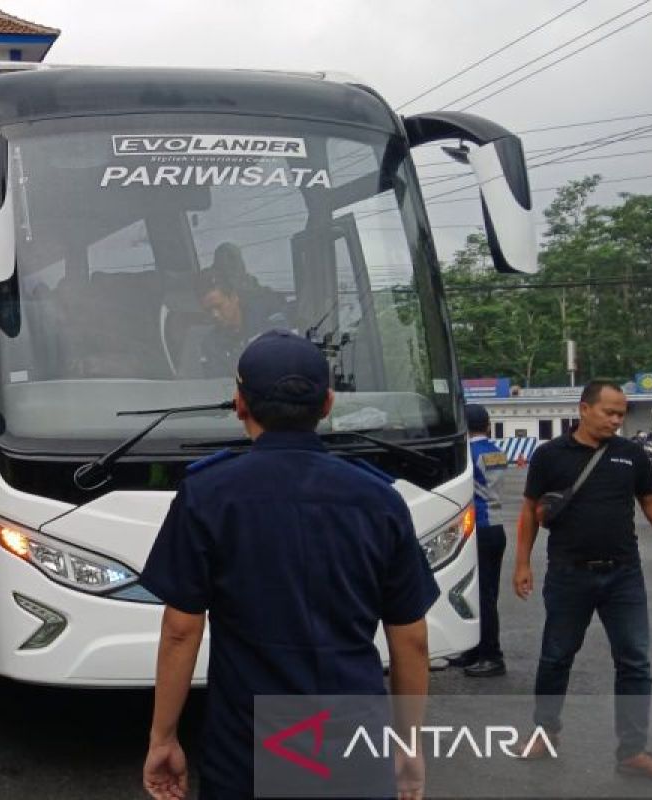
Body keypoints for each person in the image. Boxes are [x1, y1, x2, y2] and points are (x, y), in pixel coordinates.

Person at [140, 330, 438, 800]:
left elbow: (181, 630)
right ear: (328, 405)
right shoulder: (379, 500)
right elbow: (412, 640)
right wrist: (408, 745)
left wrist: (163, 738)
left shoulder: (208, 495)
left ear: (239, 403)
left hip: (247, 749)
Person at [514, 380, 652, 781]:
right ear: (584, 409)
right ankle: (545, 732)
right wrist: (522, 564)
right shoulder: (550, 455)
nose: (617, 420)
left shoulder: (630, 454)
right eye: (610, 412)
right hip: (569, 574)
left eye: (621, 414)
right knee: (556, 657)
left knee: (635, 662)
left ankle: (633, 752)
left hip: (624, 575)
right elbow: (530, 510)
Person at [456, 404, 510, 678]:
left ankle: (491, 655)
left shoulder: (466, 454)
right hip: (496, 525)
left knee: (480, 595)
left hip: (478, 527)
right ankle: (476, 649)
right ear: (487, 425)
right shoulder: (495, 451)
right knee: (487, 593)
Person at [195, 244, 288, 377]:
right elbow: (215, 389)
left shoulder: (270, 320)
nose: (214, 315)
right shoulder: (211, 345)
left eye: (218, 306)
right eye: (208, 310)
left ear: (234, 297)